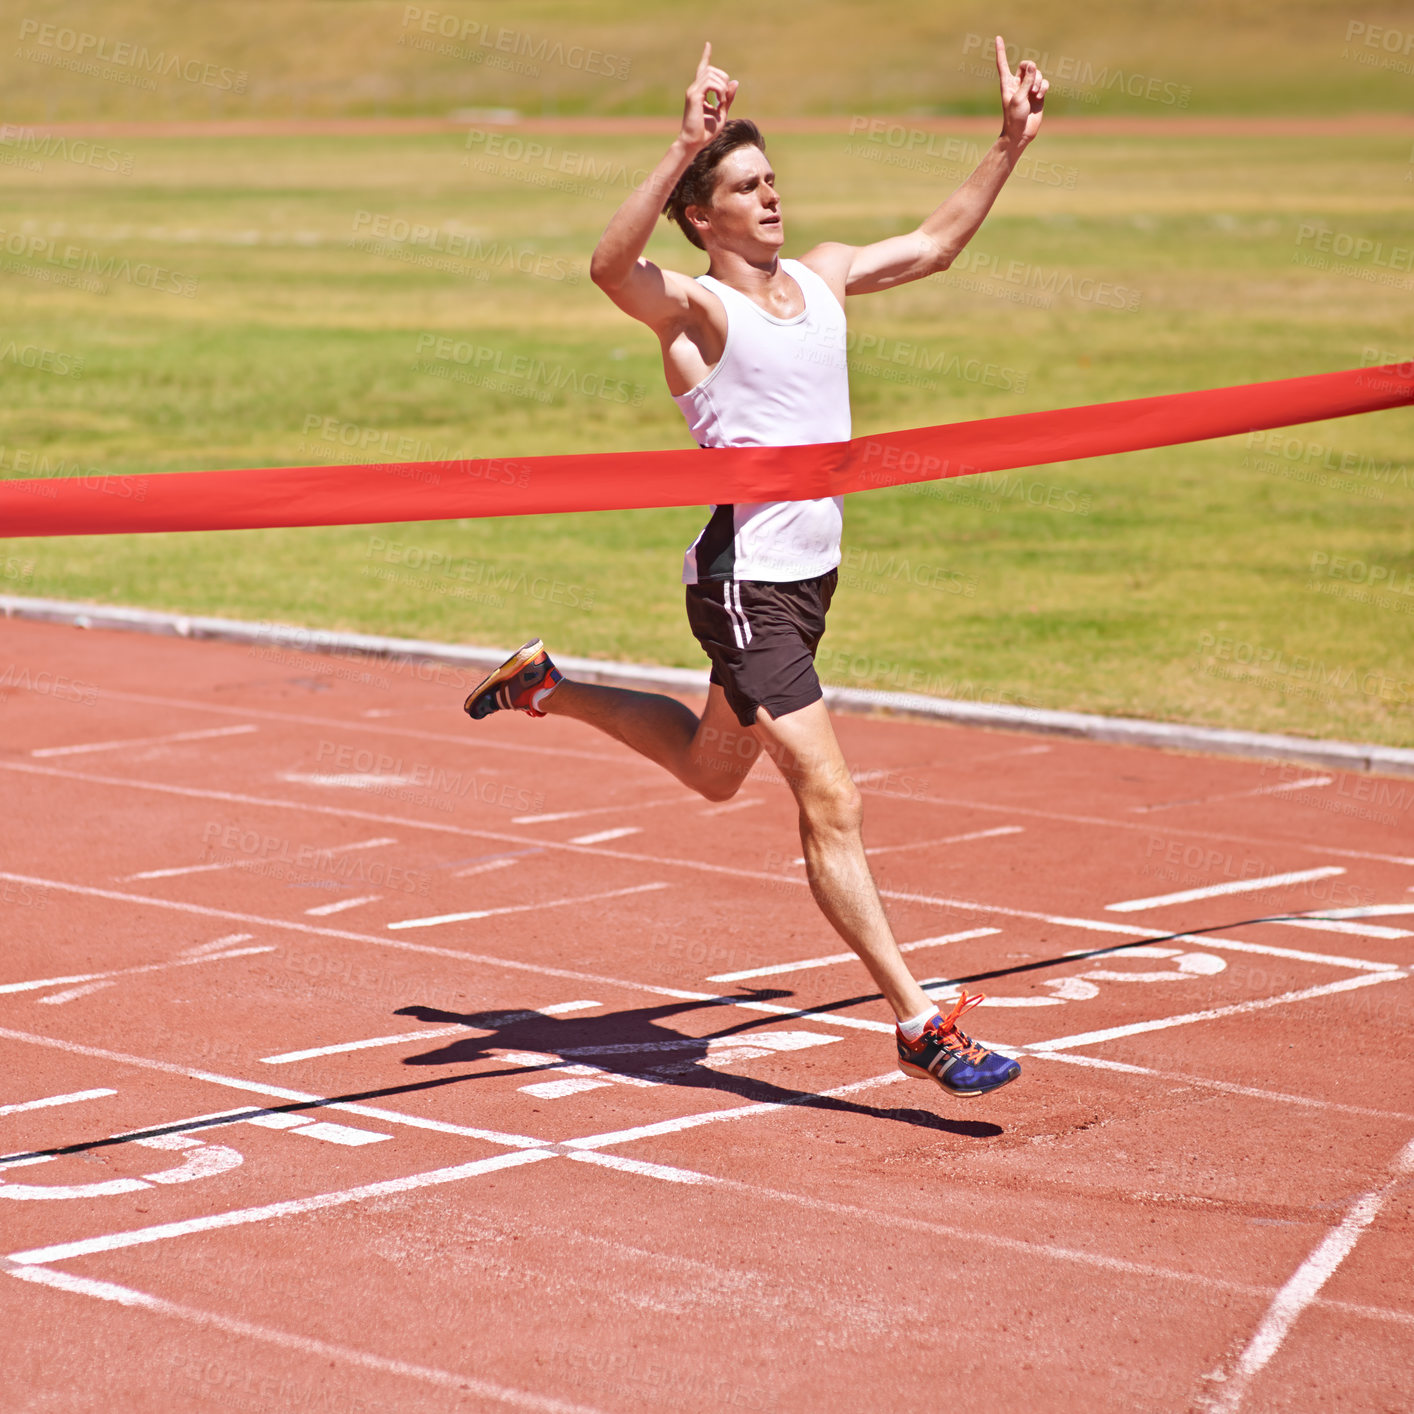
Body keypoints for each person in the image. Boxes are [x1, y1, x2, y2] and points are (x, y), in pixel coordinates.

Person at [464, 38, 1049, 1100]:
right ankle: (919, 1023)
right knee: (828, 791)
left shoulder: (822, 275)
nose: (770, 196)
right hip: (744, 584)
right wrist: (681, 143)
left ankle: (546, 685)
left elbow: (932, 245)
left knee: (708, 768)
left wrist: (1006, 145)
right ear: (703, 215)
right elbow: (607, 269)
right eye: (744, 185)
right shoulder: (696, 313)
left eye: (772, 178)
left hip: (808, 579)